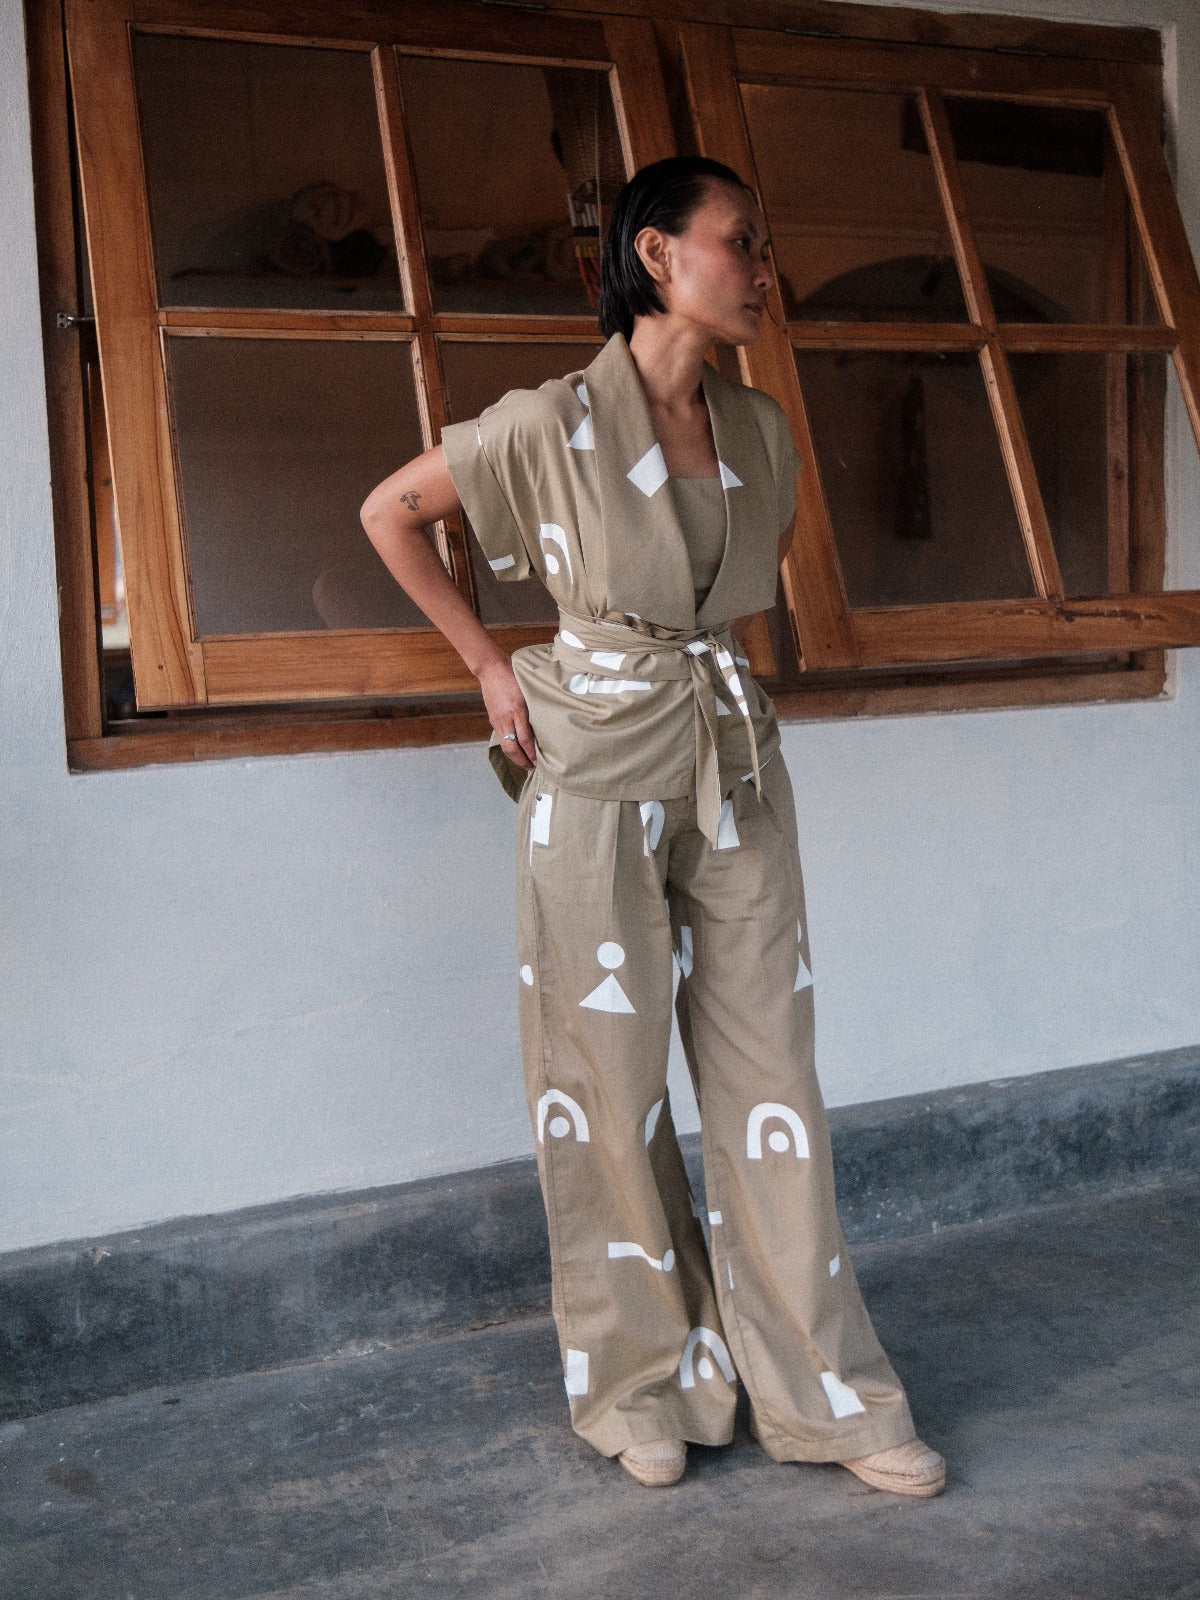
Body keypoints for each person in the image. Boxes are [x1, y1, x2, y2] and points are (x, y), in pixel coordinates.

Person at [360, 156, 945, 1498]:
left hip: (732, 764)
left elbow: (724, 602)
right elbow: (388, 512)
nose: (765, 270)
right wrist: (488, 666)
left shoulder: (760, 429)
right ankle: (641, 1382)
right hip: (592, 770)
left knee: (772, 1079)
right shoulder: (545, 422)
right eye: (744, 242)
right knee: (607, 1085)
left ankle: (829, 1394)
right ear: (656, 254)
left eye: (765, 245)